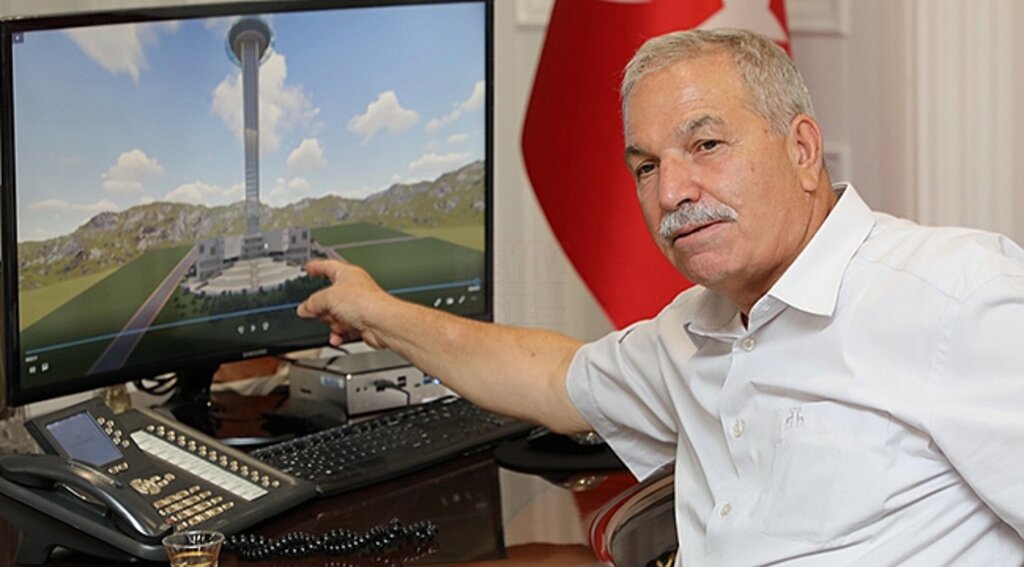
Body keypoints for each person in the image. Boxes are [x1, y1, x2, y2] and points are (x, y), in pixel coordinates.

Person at [297, 28, 1024, 565]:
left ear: (802, 150)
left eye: (706, 145)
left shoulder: (962, 298)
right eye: (645, 166)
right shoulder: (695, 327)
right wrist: (375, 311)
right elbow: (550, 379)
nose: (671, 191)